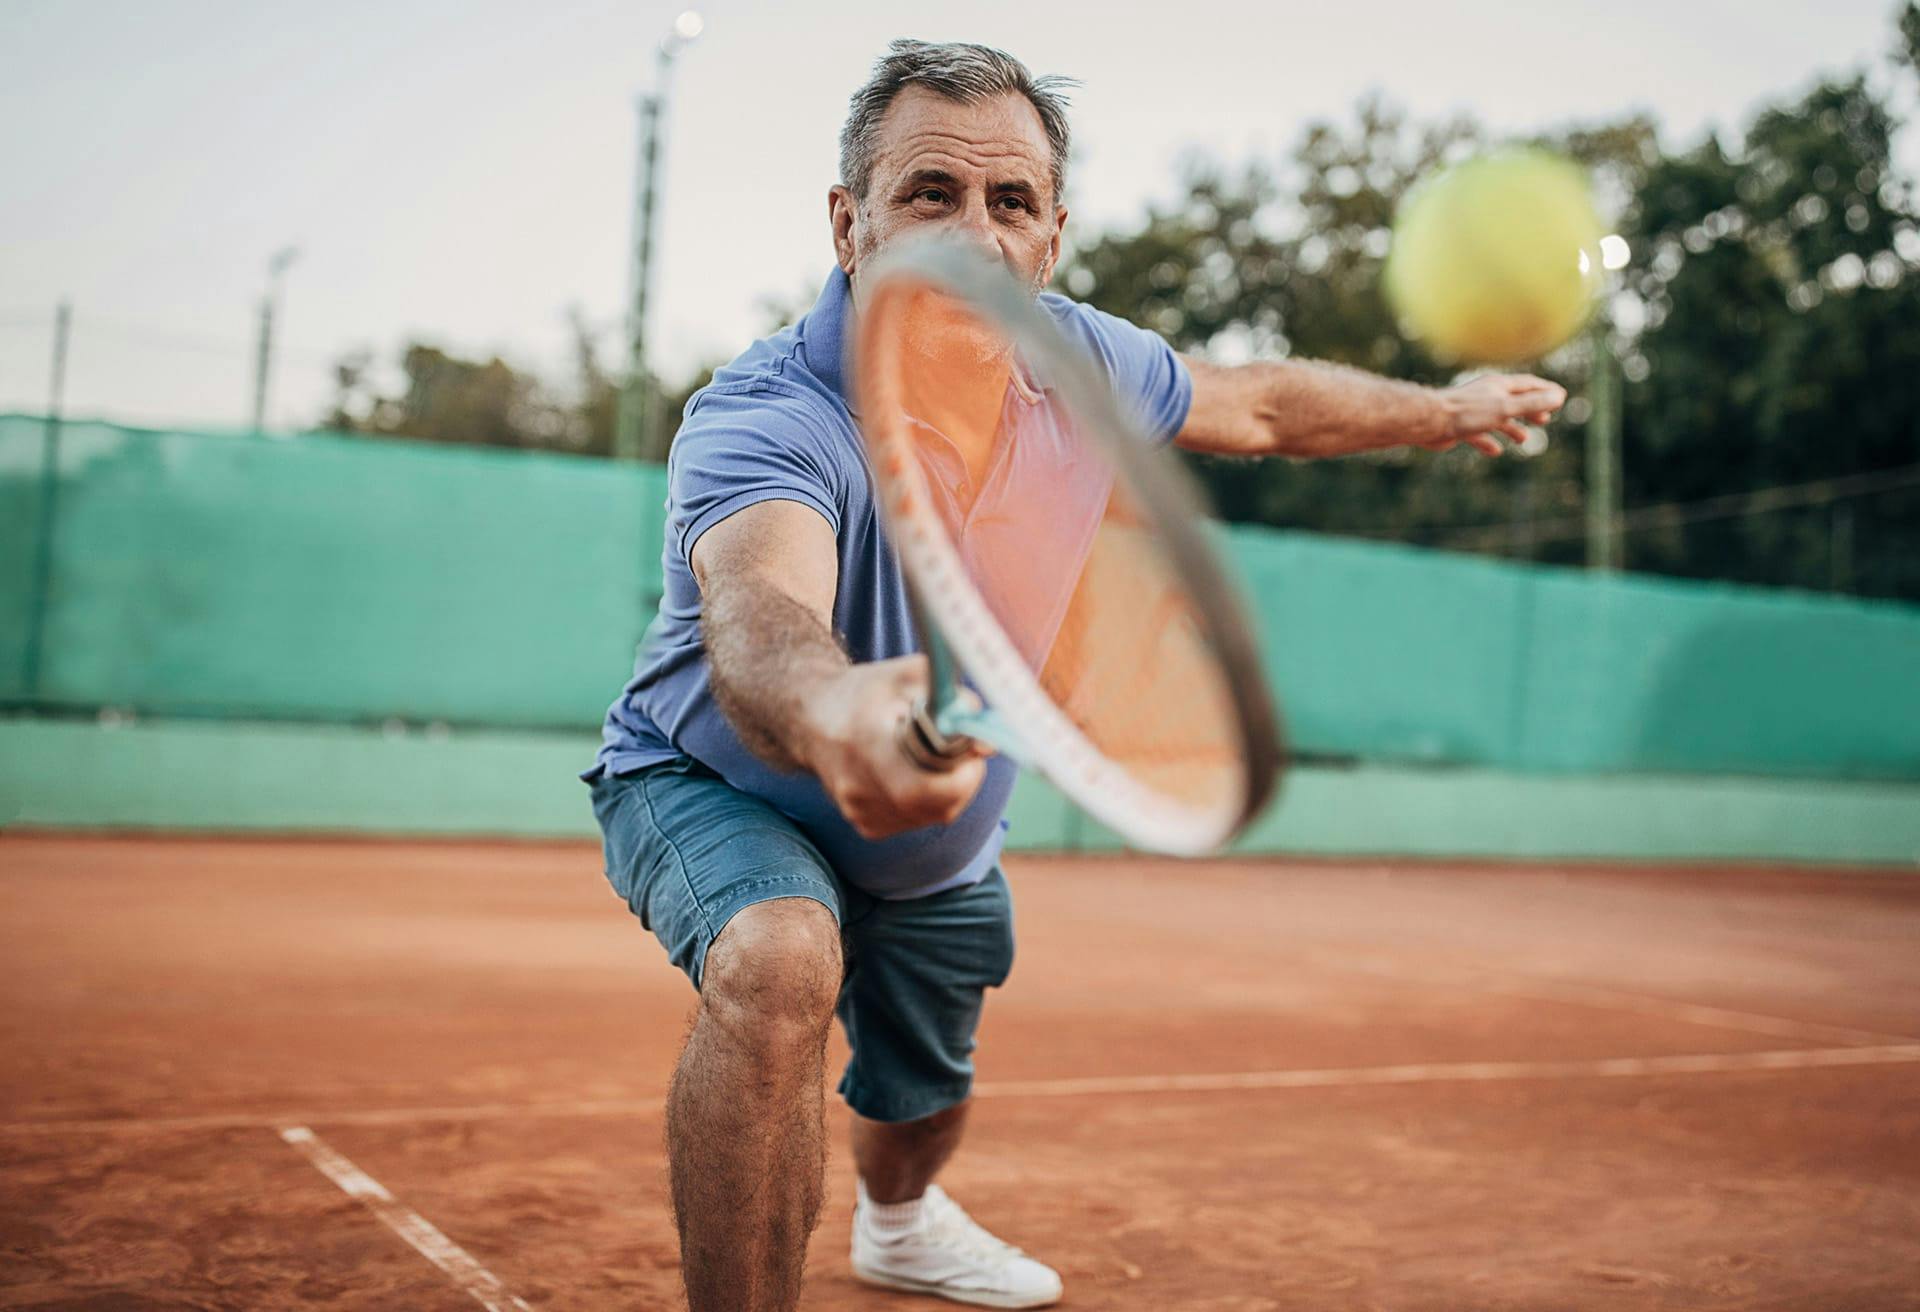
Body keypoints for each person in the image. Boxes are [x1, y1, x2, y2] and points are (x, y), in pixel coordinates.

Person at [585, 38, 1566, 1312]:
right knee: (780, 961)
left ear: (1052, 240)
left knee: (920, 1099)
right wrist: (837, 712)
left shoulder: (1084, 364)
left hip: (940, 834)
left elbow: (1260, 404)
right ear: (852, 222)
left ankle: (899, 1221)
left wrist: (1444, 411)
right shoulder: (769, 412)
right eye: (929, 192)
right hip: (713, 779)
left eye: (1012, 202)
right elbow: (761, 604)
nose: (973, 234)